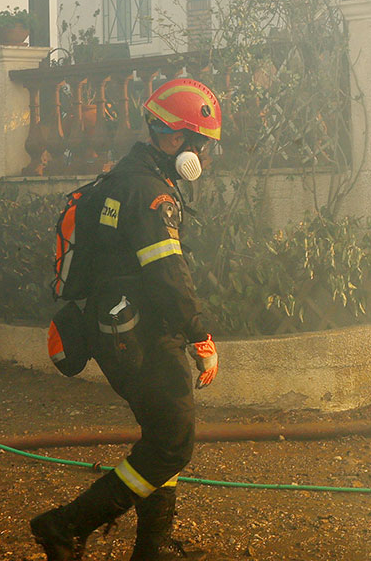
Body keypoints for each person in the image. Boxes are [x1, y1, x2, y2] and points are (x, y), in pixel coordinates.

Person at [31, 77, 224, 561]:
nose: (204, 154)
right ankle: (64, 525)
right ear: (177, 139)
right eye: (201, 142)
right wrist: (200, 334)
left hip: (118, 328)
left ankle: (152, 547)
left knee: (163, 435)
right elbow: (168, 274)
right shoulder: (151, 195)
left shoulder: (124, 178)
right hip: (141, 335)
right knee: (171, 446)